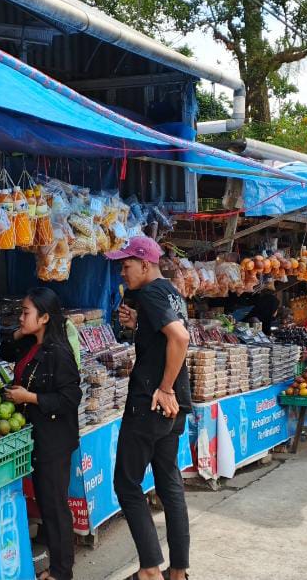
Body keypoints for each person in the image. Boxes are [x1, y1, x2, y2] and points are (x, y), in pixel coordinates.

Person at [107, 236, 191, 580]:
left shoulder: (153, 293)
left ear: (145, 264)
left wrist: (164, 387)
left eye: (126, 266)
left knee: (127, 485)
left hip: (152, 403)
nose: (122, 274)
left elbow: (180, 338)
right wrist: (137, 325)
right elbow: (167, 336)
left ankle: (149, 571)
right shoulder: (171, 290)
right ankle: (178, 572)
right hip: (175, 405)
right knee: (170, 484)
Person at [0, 288, 81, 580]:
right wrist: (21, 331)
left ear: (45, 317)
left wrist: (30, 398)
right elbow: (3, 349)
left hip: (54, 439)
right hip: (37, 436)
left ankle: (61, 573)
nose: (21, 317)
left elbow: (71, 398)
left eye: (26, 313)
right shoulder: (30, 344)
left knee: (55, 507)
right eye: (21, 311)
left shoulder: (58, 352)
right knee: (47, 504)